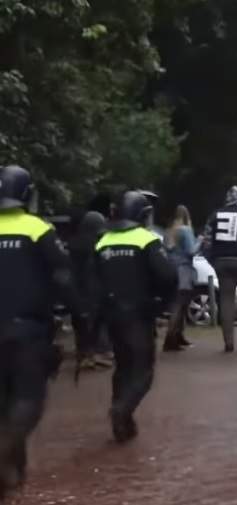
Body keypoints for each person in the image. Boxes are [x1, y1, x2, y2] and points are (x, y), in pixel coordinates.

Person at [0, 165, 88, 498]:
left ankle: (12, 475)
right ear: (27, 194)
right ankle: (4, 455)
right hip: (27, 331)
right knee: (27, 400)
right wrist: (80, 314)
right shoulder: (37, 229)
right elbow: (63, 276)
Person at [95, 191, 177, 442]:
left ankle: (123, 424)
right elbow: (168, 276)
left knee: (122, 367)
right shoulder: (146, 239)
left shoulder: (103, 241)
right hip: (139, 314)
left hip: (112, 315)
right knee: (143, 370)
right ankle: (122, 410)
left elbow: (92, 279)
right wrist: (162, 303)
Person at [201, 185, 237, 352]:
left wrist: (212, 260)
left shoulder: (214, 215)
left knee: (226, 300)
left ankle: (228, 341)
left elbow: (207, 242)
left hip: (221, 262)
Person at [70, 211, 113, 370]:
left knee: (81, 323)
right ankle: (96, 352)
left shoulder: (74, 243)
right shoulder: (96, 244)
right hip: (92, 287)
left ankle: (85, 353)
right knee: (96, 321)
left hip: (77, 288)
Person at [163, 205, 197, 352]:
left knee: (176, 304)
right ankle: (171, 339)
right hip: (184, 269)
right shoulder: (186, 230)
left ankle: (178, 336)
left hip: (171, 269)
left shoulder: (168, 232)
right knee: (180, 305)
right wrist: (201, 241)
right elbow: (191, 251)